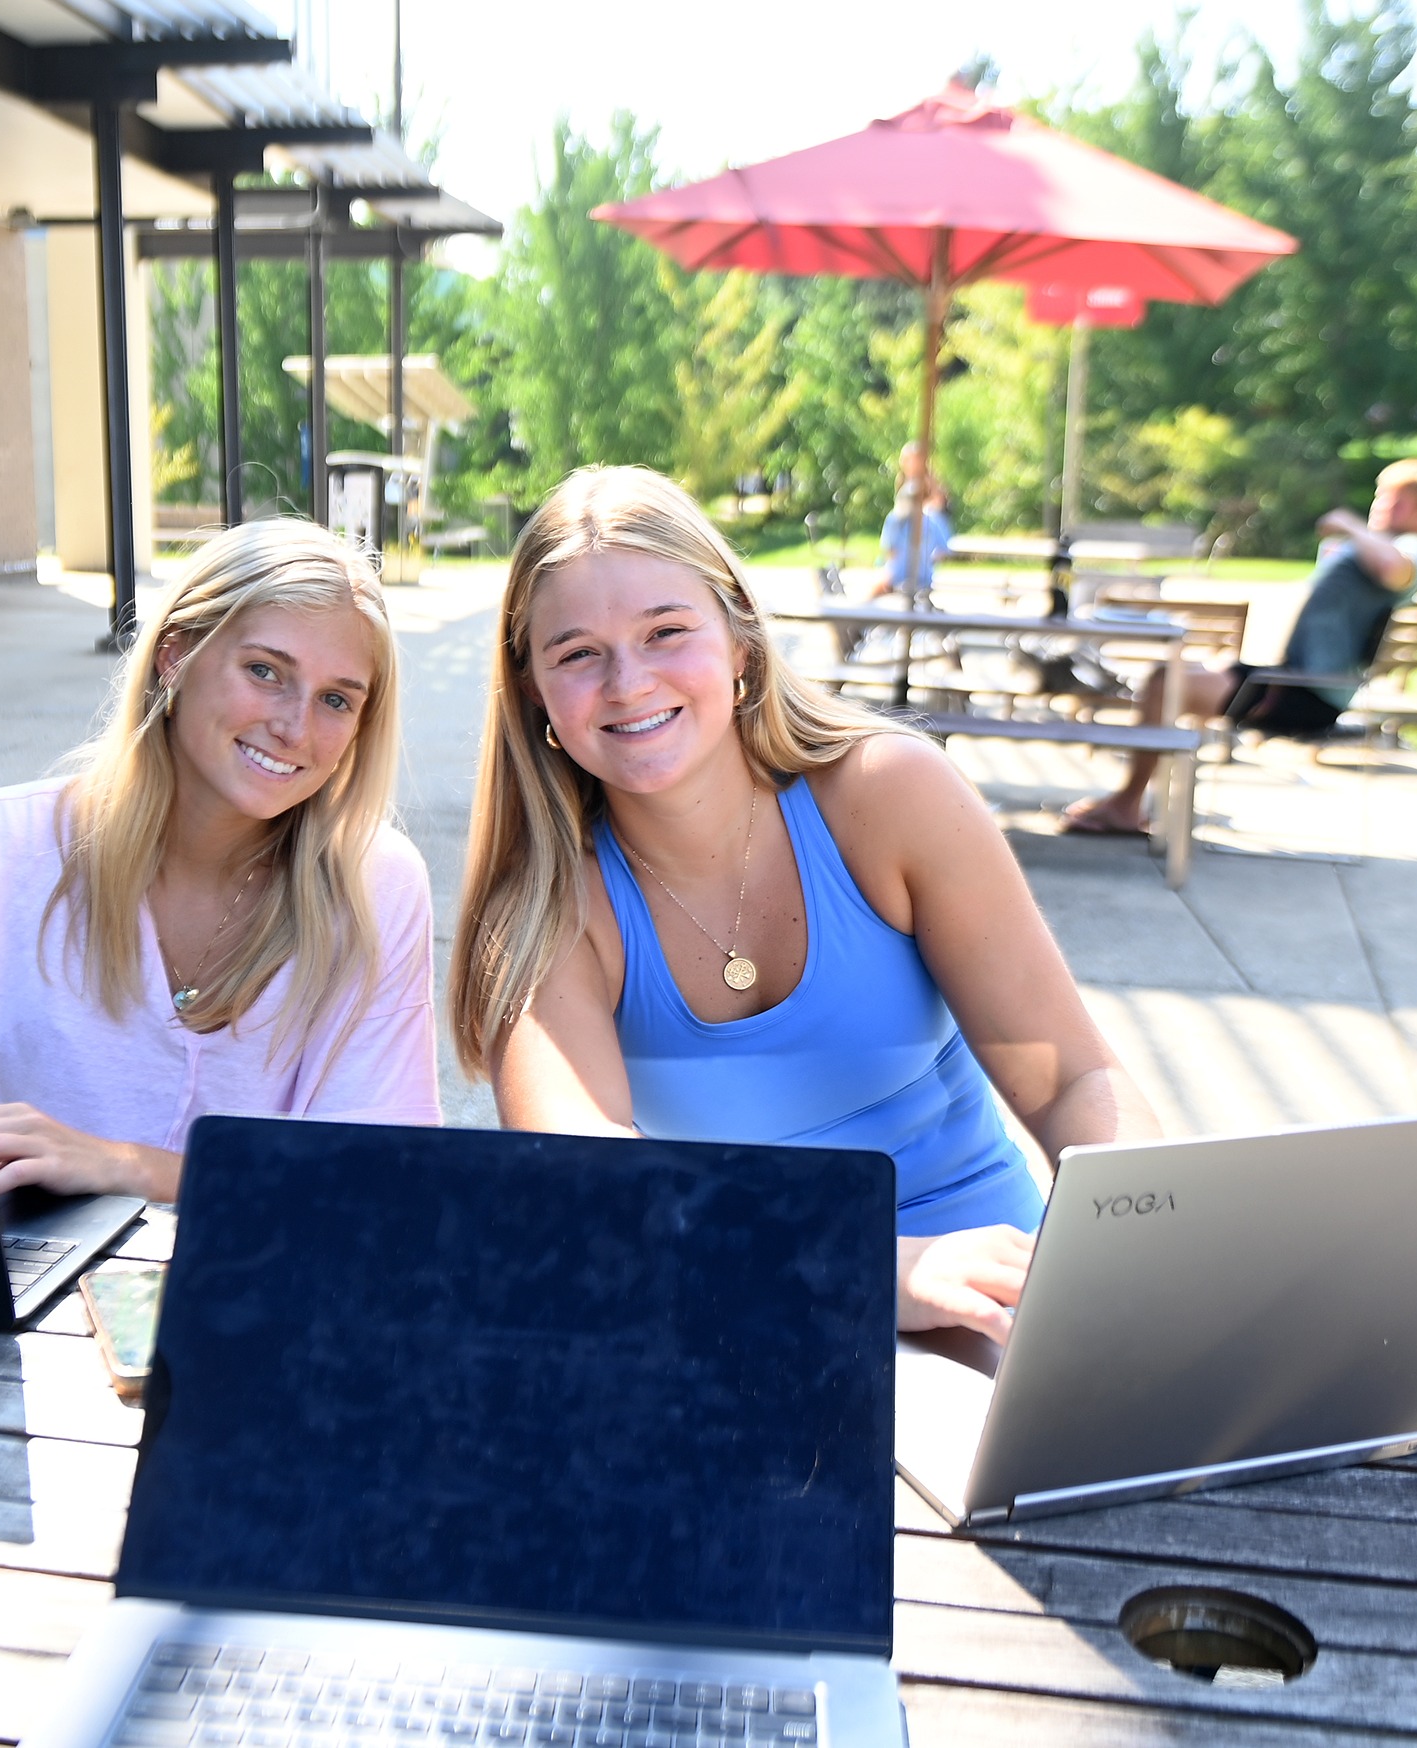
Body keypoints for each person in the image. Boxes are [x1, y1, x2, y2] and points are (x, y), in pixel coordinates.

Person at [450, 466, 1159, 1338]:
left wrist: (1143, 1228)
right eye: (577, 654)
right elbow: (598, 1202)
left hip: (987, 1281)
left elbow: (1069, 1078)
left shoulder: (887, 797)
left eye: (665, 631)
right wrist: (875, 1268)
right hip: (736, 1300)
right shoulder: (547, 910)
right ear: (535, 693)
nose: (627, 682)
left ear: (740, 642)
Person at [0, 519, 441, 1201]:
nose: (295, 726)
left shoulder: (375, 885)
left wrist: (130, 1168)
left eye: (336, 699)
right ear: (175, 657)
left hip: (247, 1282)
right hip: (24, 1272)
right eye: (264, 671)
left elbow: (380, 1180)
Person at [1063, 414, 1417, 835]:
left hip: (1305, 695)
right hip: (1289, 681)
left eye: (1400, 502)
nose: (1386, 506)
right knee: (1180, 673)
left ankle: (1127, 805)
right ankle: (1143, 801)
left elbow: (1399, 568)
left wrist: (1349, 526)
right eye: (1384, 496)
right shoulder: (1394, 538)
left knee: (1166, 683)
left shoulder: (1408, 548)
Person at [874, 442, 952, 600]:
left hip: (911, 569)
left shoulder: (929, 485)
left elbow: (890, 549)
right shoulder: (903, 482)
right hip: (918, 565)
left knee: (879, 584)